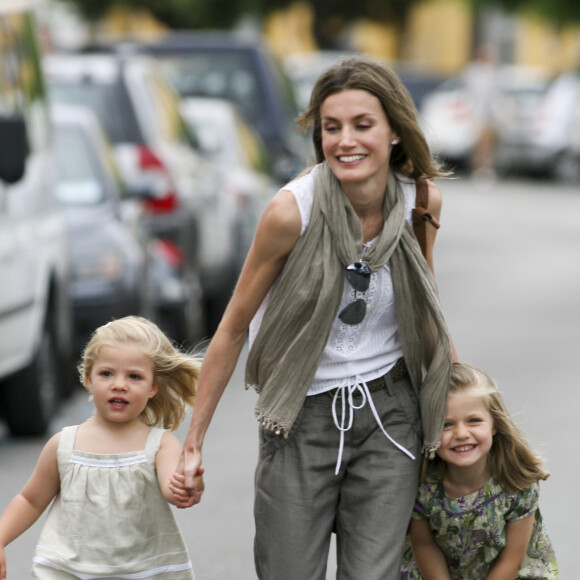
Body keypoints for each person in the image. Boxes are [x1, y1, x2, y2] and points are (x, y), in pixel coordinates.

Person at [176, 55, 456, 579]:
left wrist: (458, 413)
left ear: (395, 131)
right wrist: (192, 442)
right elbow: (234, 326)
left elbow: (428, 317)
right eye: (332, 128)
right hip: (299, 417)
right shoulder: (291, 213)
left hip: (391, 418)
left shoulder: (421, 204)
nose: (345, 140)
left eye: (362, 125)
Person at [0, 316, 204, 580]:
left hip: (142, 570)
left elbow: (172, 487)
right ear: (88, 378)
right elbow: (30, 500)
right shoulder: (63, 445)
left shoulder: (159, 444)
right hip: (69, 570)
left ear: (153, 387)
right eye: (107, 373)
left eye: (134, 376)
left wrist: (190, 481)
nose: (119, 384)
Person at [400, 362, 559, 579]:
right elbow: (424, 546)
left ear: (495, 424)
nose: (461, 433)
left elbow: (512, 558)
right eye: (446, 425)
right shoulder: (423, 483)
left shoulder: (516, 482)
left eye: (474, 421)